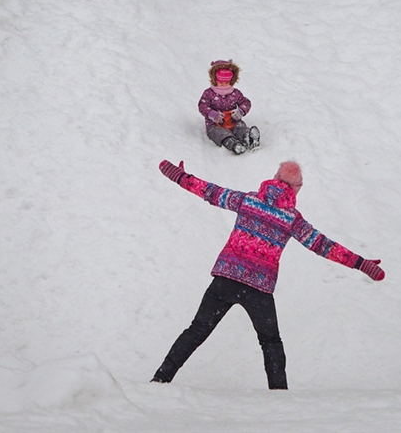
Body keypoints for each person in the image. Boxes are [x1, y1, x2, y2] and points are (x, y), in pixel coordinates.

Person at [151, 159, 385, 390]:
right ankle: (279, 396)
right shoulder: (292, 219)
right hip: (258, 289)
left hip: (225, 278)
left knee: (197, 330)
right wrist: (360, 263)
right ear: (296, 189)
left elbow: (210, 192)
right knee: (270, 341)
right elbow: (322, 245)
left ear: (274, 178)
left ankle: (161, 379)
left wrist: (180, 177)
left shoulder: (247, 200)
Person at [199, 60, 259, 155]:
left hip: (233, 121)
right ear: (215, 79)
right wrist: (212, 114)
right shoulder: (209, 93)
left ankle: (248, 137)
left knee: (240, 127)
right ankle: (232, 143)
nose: (224, 84)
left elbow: (246, 102)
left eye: (227, 82)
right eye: (221, 82)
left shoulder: (235, 93)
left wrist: (241, 111)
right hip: (215, 124)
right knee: (218, 133)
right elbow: (202, 105)